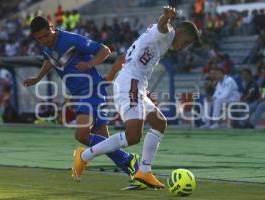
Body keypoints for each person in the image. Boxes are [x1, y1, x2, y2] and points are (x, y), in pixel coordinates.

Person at [72, 6, 201, 188]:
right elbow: (162, 26)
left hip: (136, 85)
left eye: (187, 45)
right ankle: (84, 156)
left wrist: (111, 75)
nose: (183, 47)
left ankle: (144, 171)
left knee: (159, 123)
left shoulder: (156, 40)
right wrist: (165, 16)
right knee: (133, 136)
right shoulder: (166, 34)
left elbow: (125, 57)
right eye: (185, 41)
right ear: (179, 31)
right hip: (130, 84)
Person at [23, 16, 139, 181]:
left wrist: (90, 64)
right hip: (80, 96)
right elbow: (50, 60)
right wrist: (37, 78)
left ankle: (128, 159)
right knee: (104, 144)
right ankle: (137, 172)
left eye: (46, 35)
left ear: (52, 27)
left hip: (91, 90)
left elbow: (104, 50)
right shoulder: (47, 48)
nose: (44, 40)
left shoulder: (71, 39)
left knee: (81, 135)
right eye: (39, 38)